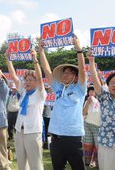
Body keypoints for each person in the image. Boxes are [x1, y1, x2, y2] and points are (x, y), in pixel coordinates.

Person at [39, 35, 87, 170]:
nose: (65, 75)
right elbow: (47, 71)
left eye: (69, 73)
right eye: (64, 72)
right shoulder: (58, 88)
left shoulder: (80, 89)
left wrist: (79, 51)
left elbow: (83, 70)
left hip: (73, 137)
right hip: (56, 137)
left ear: (76, 77)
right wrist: (41, 52)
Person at [5, 49, 47, 170]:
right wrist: (8, 59)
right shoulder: (23, 92)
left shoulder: (40, 94)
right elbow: (13, 76)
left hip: (33, 133)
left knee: (36, 165)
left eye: (30, 80)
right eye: (26, 80)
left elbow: (39, 78)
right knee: (21, 164)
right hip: (19, 131)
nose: (27, 82)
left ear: (36, 82)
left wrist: (35, 61)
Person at [82, 85, 101, 168]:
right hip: (87, 124)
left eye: (92, 91)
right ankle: (88, 162)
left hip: (98, 126)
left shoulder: (100, 100)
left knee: (98, 145)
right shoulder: (87, 101)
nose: (91, 93)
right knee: (88, 144)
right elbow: (84, 113)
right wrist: (88, 103)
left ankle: (97, 162)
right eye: (89, 91)